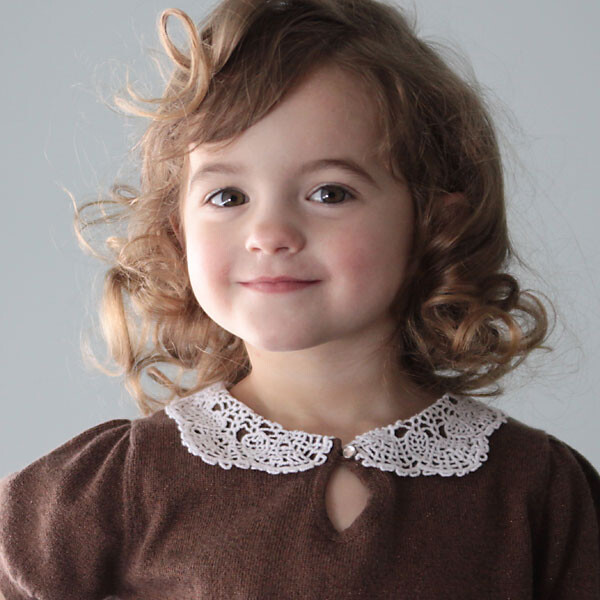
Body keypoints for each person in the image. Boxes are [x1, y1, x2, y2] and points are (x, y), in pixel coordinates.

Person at [1, 0, 599, 597]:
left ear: (431, 223)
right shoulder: (118, 485)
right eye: (228, 197)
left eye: (329, 192)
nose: (269, 234)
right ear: (176, 227)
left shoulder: (539, 490)